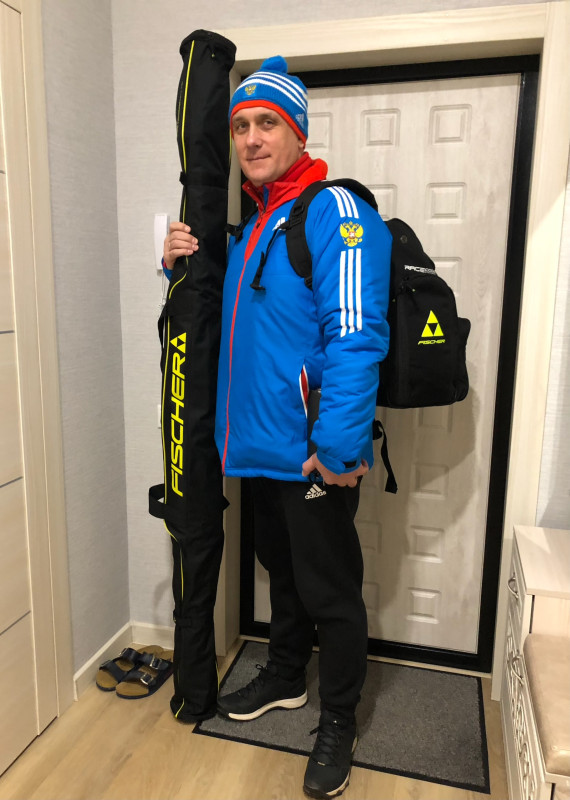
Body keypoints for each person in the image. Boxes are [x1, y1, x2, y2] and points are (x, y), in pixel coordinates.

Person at [163, 55, 391, 800]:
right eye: (241, 127)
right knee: (282, 574)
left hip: (313, 455)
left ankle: (339, 721)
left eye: (268, 123)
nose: (252, 139)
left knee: (331, 591)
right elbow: (235, 326)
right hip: (259, 451)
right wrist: (176, 267)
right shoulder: (257, 222)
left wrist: (338, 449)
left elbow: (356, 338)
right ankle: (288, 675)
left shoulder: (334, 212)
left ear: (298, 133)